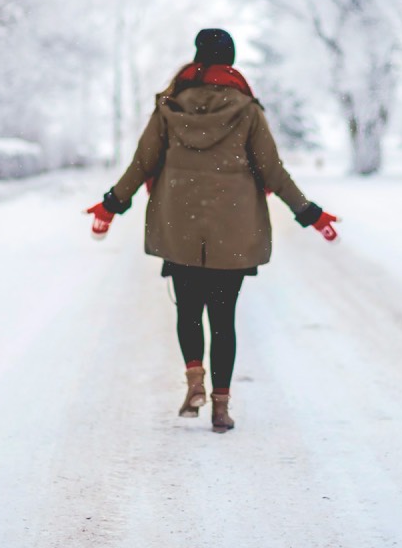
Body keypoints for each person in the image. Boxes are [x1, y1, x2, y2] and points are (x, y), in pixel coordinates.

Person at [86, 28, 338, 434]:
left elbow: (142, 163)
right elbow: (272, 171)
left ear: (198, 59)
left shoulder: (170, 106)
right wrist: (310, 213)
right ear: (231, 62)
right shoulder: (247, 110)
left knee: (187, 309)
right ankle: (221, 409)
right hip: (233, 229)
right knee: (224, 319)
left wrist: (112, 203)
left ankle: (194, 381)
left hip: (178, 224)